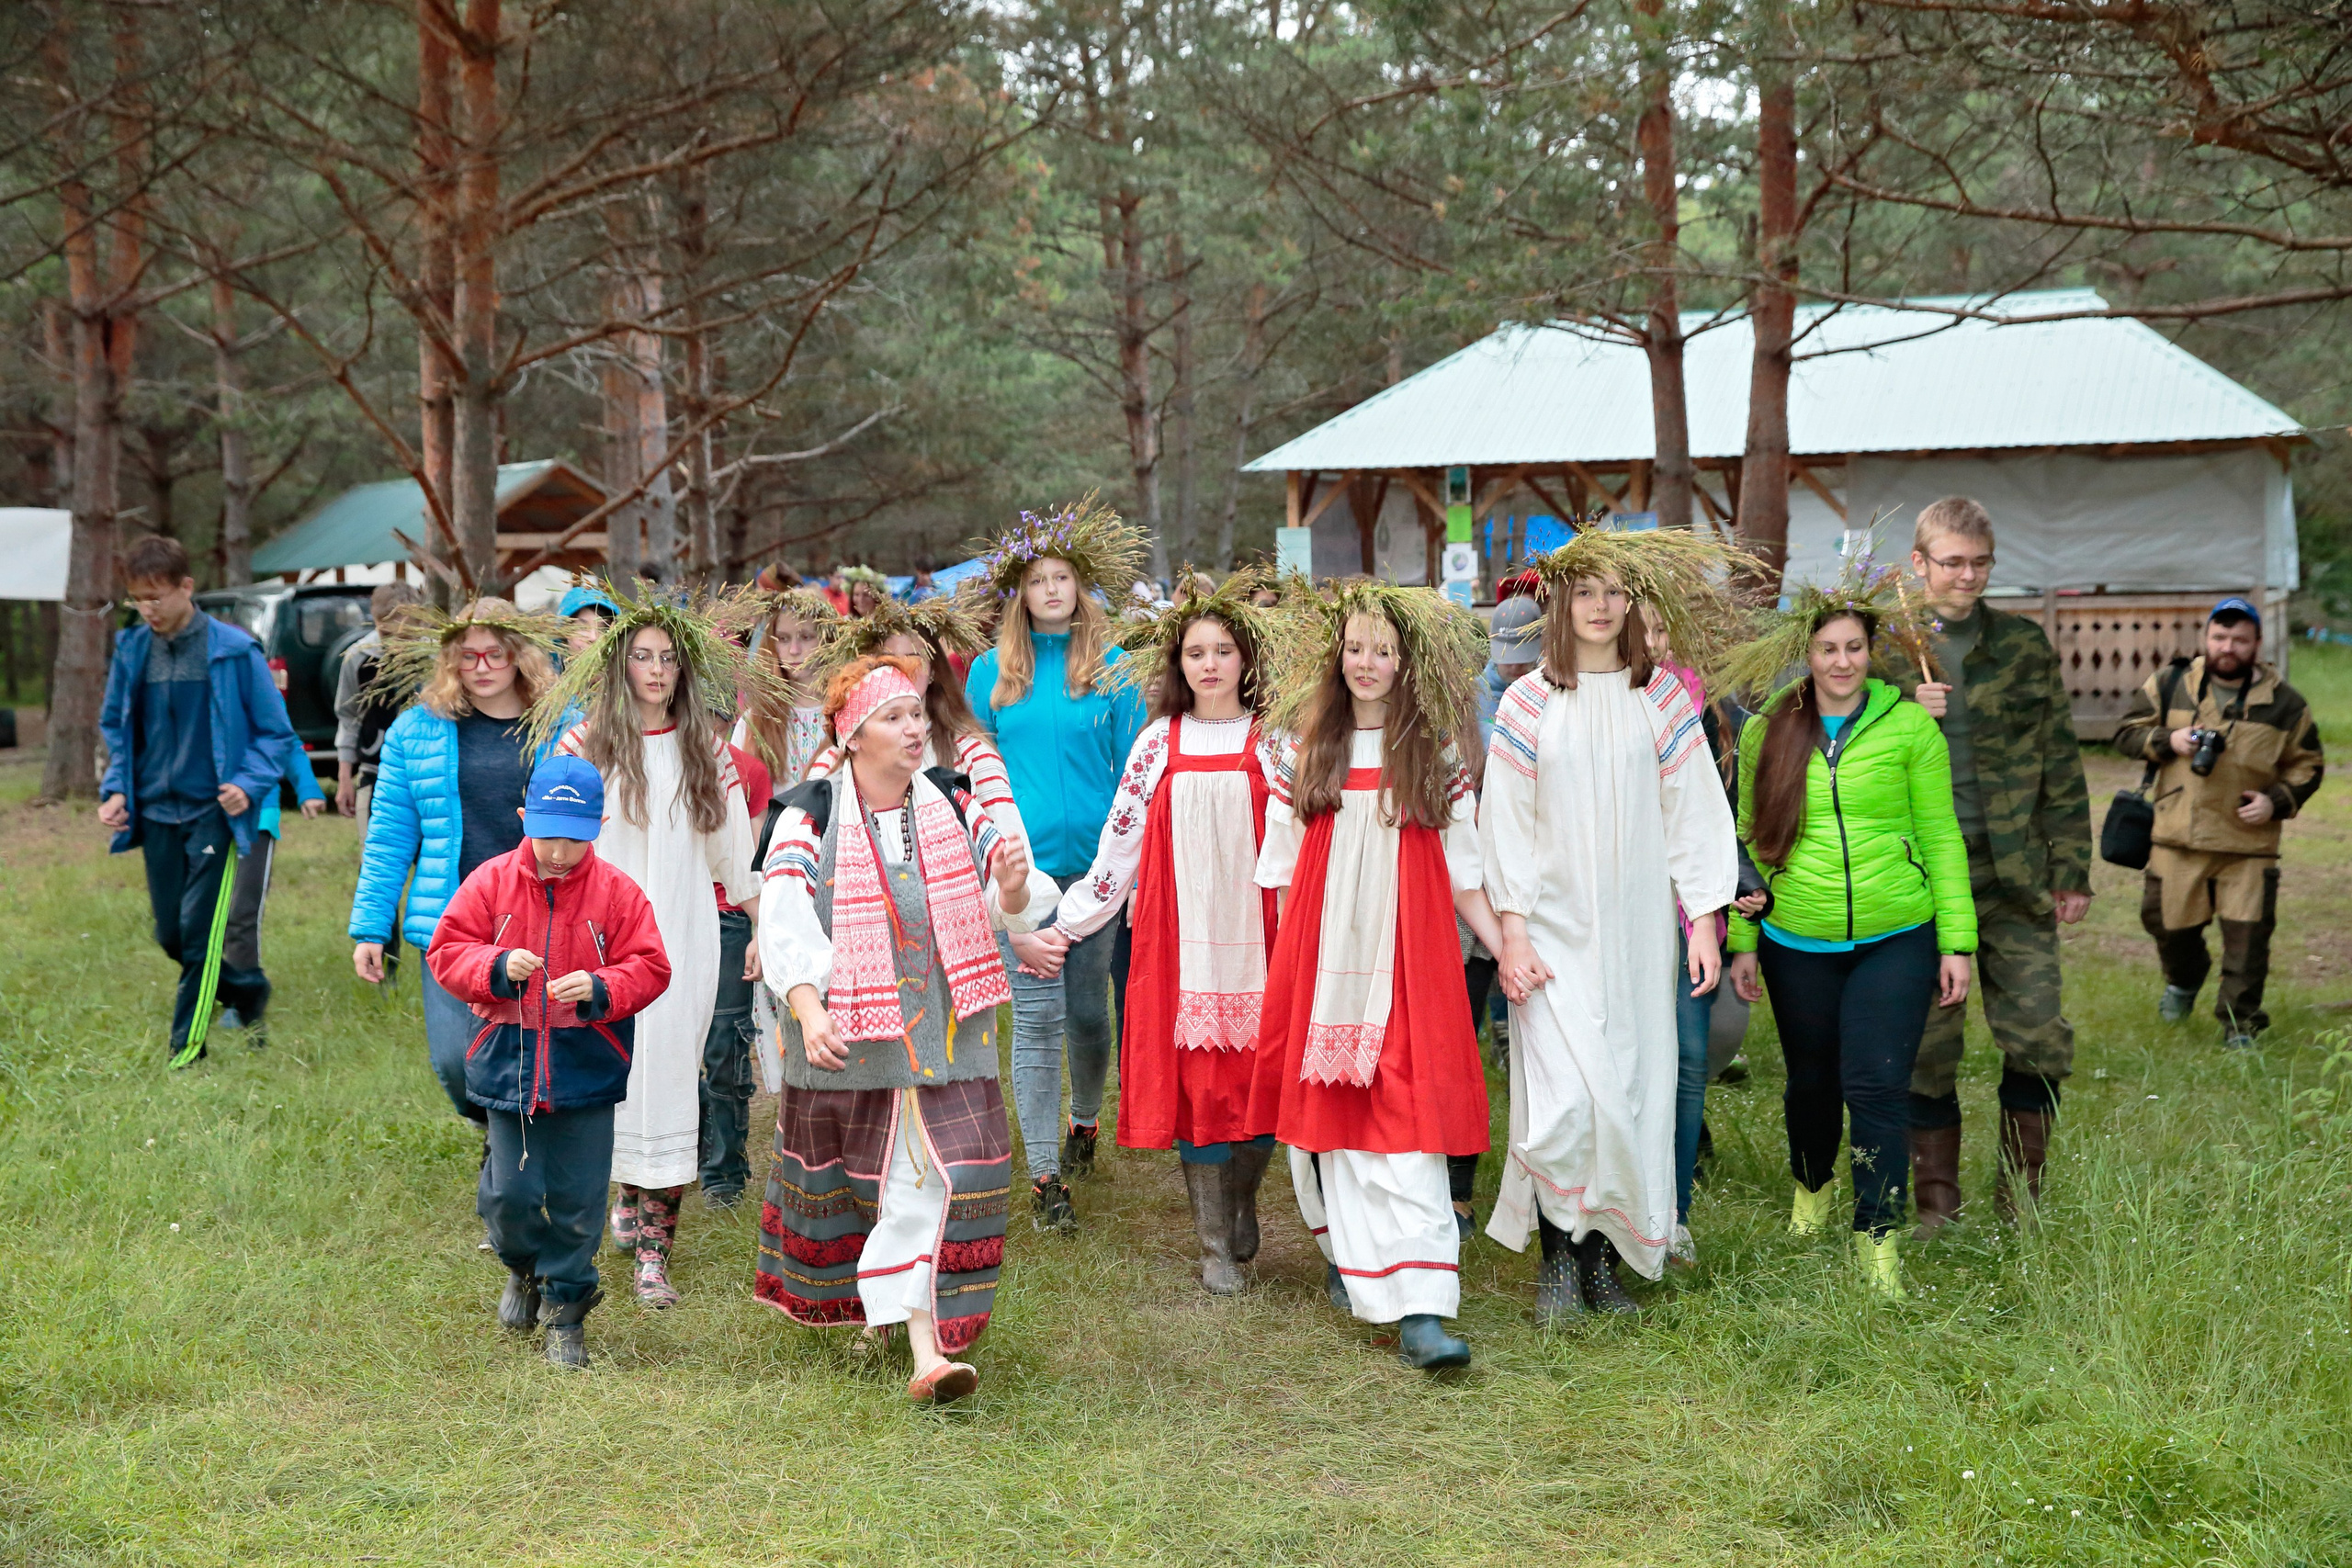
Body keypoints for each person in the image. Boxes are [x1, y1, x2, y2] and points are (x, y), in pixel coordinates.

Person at [754, 655, 1058, 1404]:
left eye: (918, 714)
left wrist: (1015, 888)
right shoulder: (809, 814)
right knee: (871, 1186)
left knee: (933, 1181)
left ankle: (922, 1350)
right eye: (893, 717)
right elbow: (785, 914)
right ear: (852, 733)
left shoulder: (956, 802)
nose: (915, 728)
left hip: (948, 1041)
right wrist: (810, 1006)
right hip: (851, 1045)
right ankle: (893, 1321)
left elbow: (1009, 896)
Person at [1479, 530, 1739, 1322]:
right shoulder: (1528, 702)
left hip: (1633, 931)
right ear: (1558, 602)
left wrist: (1702, 917)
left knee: (1624, 1090)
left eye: (1613, 593)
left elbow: (1694, 811)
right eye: (1584, 591)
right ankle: (1557, 1261)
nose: (1599, 606)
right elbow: (1506, 825)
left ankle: (1601, 1263)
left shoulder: (1658, 698)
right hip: (1552, 931)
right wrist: (1513, 928)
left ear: (1632, 605)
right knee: (1565, 1099)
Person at [1248, 581, 1504, 1371]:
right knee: (1334, 1123)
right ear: (1337, 655)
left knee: (1409, 1114)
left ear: (1406, 659)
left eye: (1383, 649)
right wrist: (1293, 976)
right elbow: (1284, 873)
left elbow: (1467, 871)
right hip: (1324, 958)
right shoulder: (1304, 747)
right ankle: (1357, 1263)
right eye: (1355, 647)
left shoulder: (1433, 751)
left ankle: (1423, 1306)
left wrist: (1503, 946)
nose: (1367, 662)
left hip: (1410, 955)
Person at [1721, 572, 1975, 1300]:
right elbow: (1749, 842)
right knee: (1812, 1085)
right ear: (1806, 652)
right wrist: (1745, 943)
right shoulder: (1769, 726)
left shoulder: (1908, 728)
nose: (1841, 661)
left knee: (1877, 1085)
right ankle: (1812, 1184)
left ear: (1872, 652)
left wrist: (1956, 941)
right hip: (1797, 937)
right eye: (1827, 648)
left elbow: (1941, 836)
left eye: (1854, 647)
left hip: (1896, 933)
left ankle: (1878, 1234)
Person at [1051, 578, 1283, 1293]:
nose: (1209, 664)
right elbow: (1120, 843)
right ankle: (1214, 1243)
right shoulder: (1158, 740)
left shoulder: (1277, 738)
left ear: (1246, 659)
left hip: (1262, 932)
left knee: (1262, 1084)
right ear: (1177, 663)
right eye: (1195, 652)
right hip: (1181, 937)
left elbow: (1312, 832)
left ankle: (1243, 1196)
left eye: (1223, 651)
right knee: (1200, 1090)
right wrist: (1069, 920)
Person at [545, 582, 766, 1307]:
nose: (656, 670)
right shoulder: (585, 745)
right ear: (618, 664)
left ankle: (652, 1253)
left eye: (668, 658)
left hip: (681, 943)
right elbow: (551, 845)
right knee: (614, 1080)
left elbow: (734, 855)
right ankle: (621, 1198)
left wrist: (765, 924)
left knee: (671, 1081)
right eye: (641, 656)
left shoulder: (706, 747)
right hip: (598, 945)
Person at [426, 756, 673, 1369]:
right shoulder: (490, 881)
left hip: (585, 1065)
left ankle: (566, 1311)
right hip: (508, 1063)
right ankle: (522, 1267)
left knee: (577, 1199)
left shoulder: (618, 891)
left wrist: (600, 984)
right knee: (509, 1193)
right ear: (523, 820)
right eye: (547, 834)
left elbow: (650, 965)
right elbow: (447, 949)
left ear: (599, 825)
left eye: (574, 836)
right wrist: (493, 966)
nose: (560, 851)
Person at [1903, 498, 2094, 1231]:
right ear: (1919, 564)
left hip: (2014, 873)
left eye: (1980, 562)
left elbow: (2059, 757)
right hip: (1921, 879)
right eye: (1952, 562)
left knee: (2040, 1037)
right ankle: (1935, 1211)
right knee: (1928, 1046)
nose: (1968, 576)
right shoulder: (1886, 650)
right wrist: (1896, 705)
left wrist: (2071, 862)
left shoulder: (2020, 646)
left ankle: (2022, 1206)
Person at [963, 498, 1150, 1232]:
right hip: (1024, 877)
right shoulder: (989, 673)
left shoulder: (1112, 668)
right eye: (1037, 578)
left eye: (1062, 576)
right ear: (1020, 590)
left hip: (1099, 874)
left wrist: (1128, 865)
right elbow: (973, 772)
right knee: (1036, 1021)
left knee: (1086, 1014)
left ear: (1080, 585)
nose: (1050, 589)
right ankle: (1045, 1177)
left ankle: (1083, 1122)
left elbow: (1137, 767)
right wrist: (998, 866)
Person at [350, 601, 567, 1154]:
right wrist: (372, 927)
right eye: (468, 655)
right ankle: (495, 1128)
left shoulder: (563, 723)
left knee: (536, 1051)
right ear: (451, 660)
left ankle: (516, 1161)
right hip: (454, 920)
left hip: (544, 913)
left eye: (496, 652)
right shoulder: (417, 731)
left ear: (519, 655)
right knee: (454, 1060)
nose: (483, 665)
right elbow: (390, 836)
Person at [98, 535, 300, 1068]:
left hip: (215, 813)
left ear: (187, 587)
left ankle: (185, 1051)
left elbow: (276, 733)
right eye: (137, 599)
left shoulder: (233, 650)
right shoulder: (132, 649)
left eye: (157, 596)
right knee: (170, 933)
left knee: (202, 934)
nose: (148, 609)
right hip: (156, 812)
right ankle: (247, 988)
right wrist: (118, 787)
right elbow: (118, 728)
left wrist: (249, 782)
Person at [2113, 595, 2324, 1051]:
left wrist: (2276, 801)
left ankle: (2239, 1025)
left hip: (2248, 842)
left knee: (2248, 940)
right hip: (2176, 834)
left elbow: (2308, 764)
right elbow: (2125, 732)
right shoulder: (2171, 684)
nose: (2228, 647)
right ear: (2206, 638)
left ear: (2257, 644)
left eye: (2240, 639)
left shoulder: (2286, 703)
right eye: (2220, 637)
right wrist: (2166, 739)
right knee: (2166, 925)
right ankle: (2185, 981)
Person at [217, 739, 329, 1048]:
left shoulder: (258, 692)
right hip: (207, 817)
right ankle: (213, 988)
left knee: (241, 912)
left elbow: (287, 742)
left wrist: (307, 788)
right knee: (208, 910)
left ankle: (241, 1001)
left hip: (257, 817)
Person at [334, 581, 424, 839]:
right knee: (374, 856)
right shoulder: (358, 658)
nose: (396, 643)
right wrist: (344, 778)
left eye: (406, 636)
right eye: (387, 634)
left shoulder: (436, 657)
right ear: (374, 621)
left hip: (427, 773)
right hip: (375, 772)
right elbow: (349, 717)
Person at [734, 586, 839, 789]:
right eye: (783, 639)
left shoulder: (848, 713)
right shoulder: (755, 721)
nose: (794, 650)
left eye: (806, 637)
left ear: (826, 639)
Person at [560, 581, 618, 660]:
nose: (593, 637)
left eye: (602, 629)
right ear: (565, 630)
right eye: (583, 628)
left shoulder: (622, 670)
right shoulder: (547, 669)